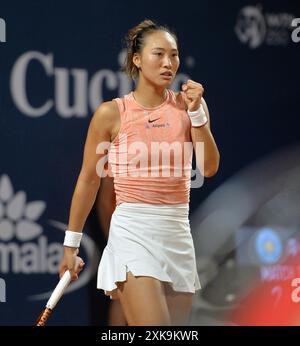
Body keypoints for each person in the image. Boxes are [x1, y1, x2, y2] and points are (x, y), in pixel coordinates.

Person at [59, 19, 220, 326]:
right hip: (133, 233)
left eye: (174, 55)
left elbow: (209, 167)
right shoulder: (111, 113)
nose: (168, 63)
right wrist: (71, 245)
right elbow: (89, 180)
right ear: (136, 59)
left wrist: (198, 114)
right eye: (158, 54)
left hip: (177, 234)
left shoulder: (191, 108)